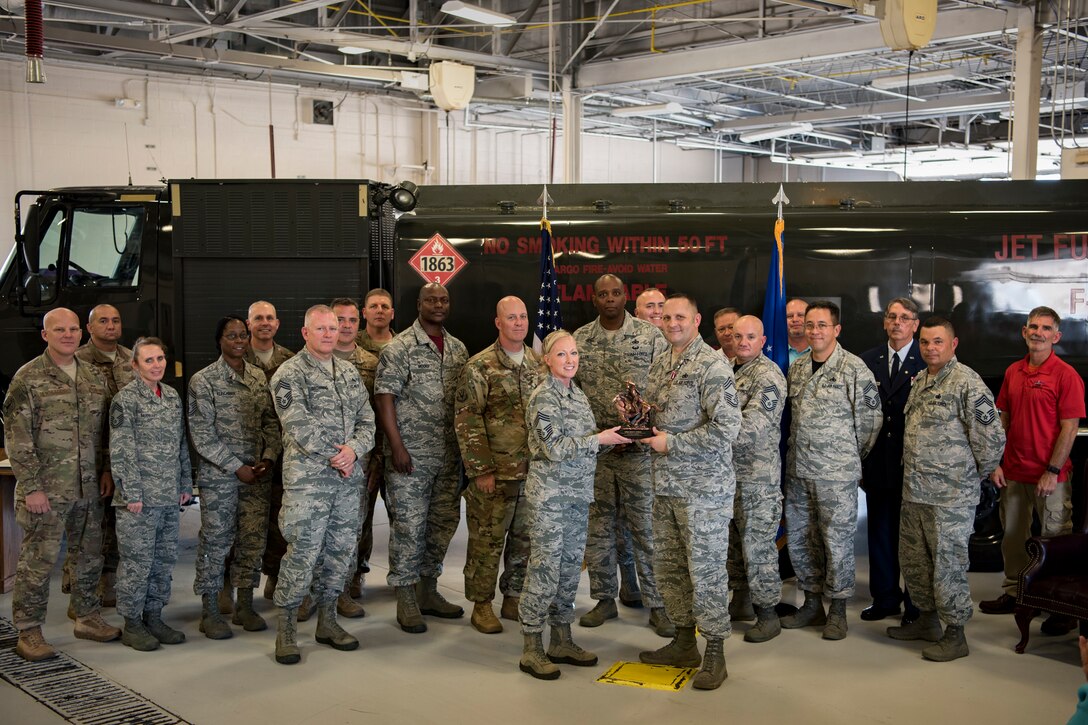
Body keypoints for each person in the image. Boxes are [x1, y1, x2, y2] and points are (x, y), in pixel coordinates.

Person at [638, 294, 741, 690]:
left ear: (697, 320)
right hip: (664, 486)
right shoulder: (662, 361)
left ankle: (714, 650)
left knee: (707, 572)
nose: (672, 323)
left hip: (704, 492)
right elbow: (656, 417)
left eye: (680, 317)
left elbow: (726, 429)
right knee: (670, 566)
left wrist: (674, 444)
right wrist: (636, 419)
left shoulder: (712, 366)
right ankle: (683, 640)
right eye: (666, 317)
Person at [4, 308, 120, 661]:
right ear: (45, 335)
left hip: (88, 487)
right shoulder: (28, 379)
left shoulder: (91, 376)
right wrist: (32, 486)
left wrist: (106, 471)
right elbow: (17, 438)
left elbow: (102, 432)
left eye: (73, 329)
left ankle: (86, 617)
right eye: (60, 330)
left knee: (88, 556)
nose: (68, 335)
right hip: (47, 491)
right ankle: (29, 631)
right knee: (38, 561)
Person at [887, 317, 1005, 662]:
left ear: (953, 344)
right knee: (914, 562)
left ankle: (955, 633)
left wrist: (971, 476)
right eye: (925, 342)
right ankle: (927, 621)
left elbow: (992, 439)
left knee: (948, 565)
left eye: (938, 342)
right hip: (916, 494)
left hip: (950, 498)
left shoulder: (967, 382)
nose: (930, 348)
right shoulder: (921, 379)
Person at [517, 330, 631, 680]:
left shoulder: (576, 395)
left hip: (577, 497)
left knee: (568, 569)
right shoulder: (543, 398)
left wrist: (617, 438)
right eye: (563, 355)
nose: (571, 360)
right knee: (545, 568)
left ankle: (562, 638)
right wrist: (599, 438)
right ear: (547, 359)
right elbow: (555, 448)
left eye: (575, 354)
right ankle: (532, 645)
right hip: (550, 497)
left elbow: (585, 445)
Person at [269, 305, 375, 664]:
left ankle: (328, 622)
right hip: (309, 484)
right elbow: (297, 424)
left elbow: (367, 420)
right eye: (322, 328)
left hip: (347, 483)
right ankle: (285, 630)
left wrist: (355, 449)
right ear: (305, 333)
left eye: (335, 327)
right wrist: (339, 455)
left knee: (341, 553)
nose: (330, 333)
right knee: (302, 554)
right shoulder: (289, 374)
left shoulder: (347, 372)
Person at [573, 274, 672, 637]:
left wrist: (651, 430)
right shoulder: (581, 339)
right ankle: (603, 599)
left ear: (625, 296)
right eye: (603, 294)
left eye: (616, 293)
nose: (610, 299)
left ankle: (657, 603)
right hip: (598, 451)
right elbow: (575, 391)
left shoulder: (650, 336)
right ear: (594, 298)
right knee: (598, 530)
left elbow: (664, 385)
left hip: (639, 453)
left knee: (646, 528)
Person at [980, 306, 1085, 633]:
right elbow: (1004, 420)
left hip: (1051, 477)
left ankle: (1062, 610)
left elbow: (1069, 429)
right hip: (1013, 472)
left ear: (1056, 336)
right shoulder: (1013, 372)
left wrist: (1052, 471)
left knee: (1055, 539)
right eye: (1032, 327)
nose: (1037, 332)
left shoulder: (1066, 375)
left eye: (1045, 328)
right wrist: (996, 461)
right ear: (1024, 332)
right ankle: (1016, 594)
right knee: (1013, 538)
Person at [781, 300, 882, 641]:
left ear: (836, 330)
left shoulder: (855, 369)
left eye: (822, 325)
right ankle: (811, 604)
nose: (815, 331)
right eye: (810, 325)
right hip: (799, 472)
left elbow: (870, 423)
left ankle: (837, 609)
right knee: (800, 539)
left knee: (836, 542)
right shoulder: (796, 369)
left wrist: (848, 456)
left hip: (836, 475)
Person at [375, 283, 469, 633]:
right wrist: (397, 446)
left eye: (444, 299)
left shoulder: (458, 349)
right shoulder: (399, 348)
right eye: (431, 299)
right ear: (418, 305)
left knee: (442, 525)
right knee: (409, 528)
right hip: (410, 457)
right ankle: (406, 598)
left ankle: (428, 590)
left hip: (448, 456)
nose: (438, 305)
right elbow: (385, 399)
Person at [188, 316, 280, 639]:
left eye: (243, 335)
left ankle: (245, 604)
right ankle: (210, 610)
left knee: (252, 540)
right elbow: (201, 434)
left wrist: (269, 457)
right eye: (232, 336)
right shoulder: (205, 381)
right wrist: (234, 466)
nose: (239, 340)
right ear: (220, 341)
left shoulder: (257, 378)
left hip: (256, 476)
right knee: (216, 541)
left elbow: (272, 422)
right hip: (221, 479)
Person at [455, 296, 540, 634]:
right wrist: (481, 470)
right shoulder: (480, 366)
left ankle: (513, 596)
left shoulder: (538, 363)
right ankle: (481, 604)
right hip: (495, 474)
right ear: (498, 322)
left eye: (523, 317)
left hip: (531, 473)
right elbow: (467, 419)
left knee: (524, 541)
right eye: (511, 317)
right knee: (486, 542)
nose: (519, 323)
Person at [110, 337, 193, 652]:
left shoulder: (171, 396)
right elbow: (121, 449)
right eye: (149, 360)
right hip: (138, 499)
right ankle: (132, 623)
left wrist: (185, 483)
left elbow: (180, 443)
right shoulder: (125, 400)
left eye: (160, 358)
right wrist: (131, 491)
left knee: (163, 560)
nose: (157, 365)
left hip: (169, 495)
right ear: (135, 365)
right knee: (137, 562)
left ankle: (154, 616)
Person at [859, 298, 926, 624]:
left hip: (911, 465)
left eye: (905, 318)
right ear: (885, 322)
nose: (897, 322)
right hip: (878, 462)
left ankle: (915, 606)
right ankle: (885, 598)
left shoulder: (926, 359)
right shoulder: (868, 360)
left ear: (915, 324)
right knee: (880, 533)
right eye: (892, 317)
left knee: (912, 539)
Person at [725, 316, 787, 643]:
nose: (743, 342)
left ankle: (768, 613)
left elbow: (752, 428)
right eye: (738, 336)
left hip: (757, 480)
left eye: (751, 336)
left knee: (758, 546)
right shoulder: (725, 369)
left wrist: (709, 437)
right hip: (726, 477)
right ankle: (742, 599)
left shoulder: (769, 376)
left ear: (763, 340)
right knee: (733, 543)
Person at [73, 303, 135, 607]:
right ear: (90, 328)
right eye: (103, 321)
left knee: (117, 524)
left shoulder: (131, 360)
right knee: (88, 527)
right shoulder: (77, 361)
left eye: (116, 320)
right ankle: (78, 592)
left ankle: (108, 582)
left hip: (123, 459)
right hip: (88, 461)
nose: (111, 326)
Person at [330, 297, 380, 619]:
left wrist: (375, 458)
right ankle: (314, 590)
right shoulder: (306, 363)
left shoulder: (371, 364)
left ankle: (345, 586)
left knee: (353, 526)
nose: (346, 326)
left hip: (360, 461)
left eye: (351, 320)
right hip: (317, 463)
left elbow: (377, 415)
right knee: (315, 528)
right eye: (340, 320)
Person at [247, 300, 296, 606]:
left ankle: (275, 576)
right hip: (248, 453)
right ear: (249, 323)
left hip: (282, 455)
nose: (264, 322)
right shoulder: (236, 356)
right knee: (247, 524)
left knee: (281, 521)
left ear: (277, 324)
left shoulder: (289, 360)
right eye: (258, 318)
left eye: (270, 318)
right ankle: (239, 587)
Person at [354, 288, 397, 603]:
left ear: (392, 313)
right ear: (364, 312)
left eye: (385, 306)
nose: (379, 310)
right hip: (364, 449)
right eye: (373, 306)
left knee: (402, 515)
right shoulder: (349, 346)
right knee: (359, 517)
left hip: (396, 446)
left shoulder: (404, 347)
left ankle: (402, 576)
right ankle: (355, 574)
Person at [786, 297, 809, 365]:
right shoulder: (773, 353)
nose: (795, 319)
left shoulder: (821, 350)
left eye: (801, 315)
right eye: (790, 316)